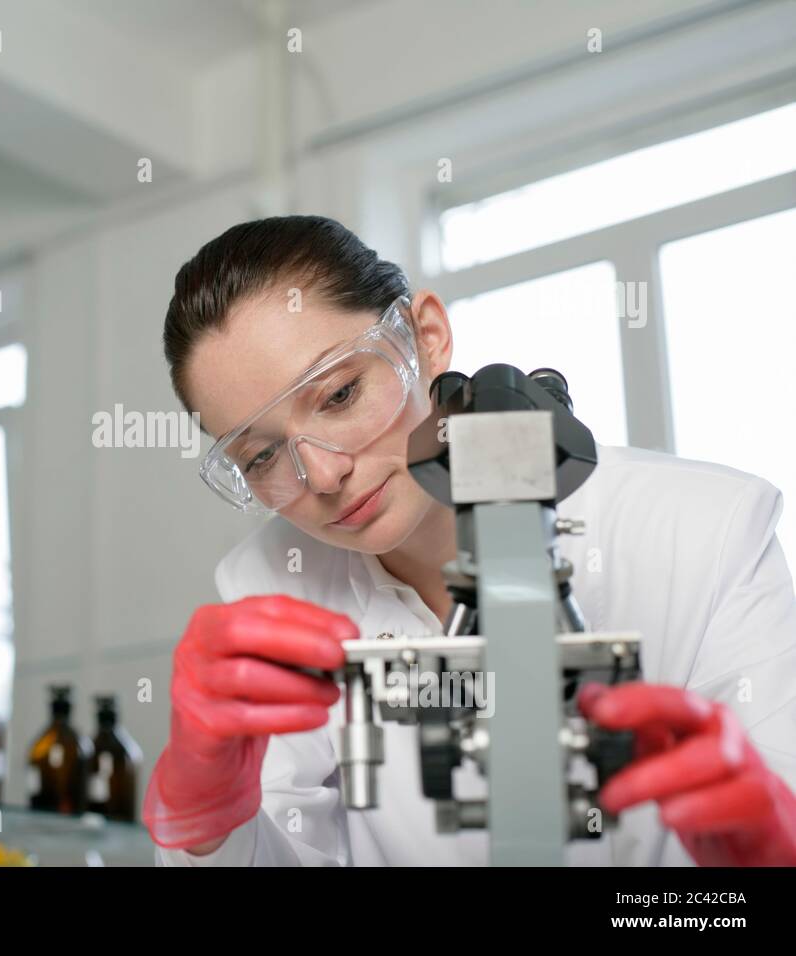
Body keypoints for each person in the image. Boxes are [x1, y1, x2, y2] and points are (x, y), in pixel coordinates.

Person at [144, 215, 796, 866]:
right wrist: (208, 826)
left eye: (340, 394)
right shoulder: (268, 582)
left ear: (425, 339)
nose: (323, 474)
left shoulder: (703, 530)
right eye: (261, 458)